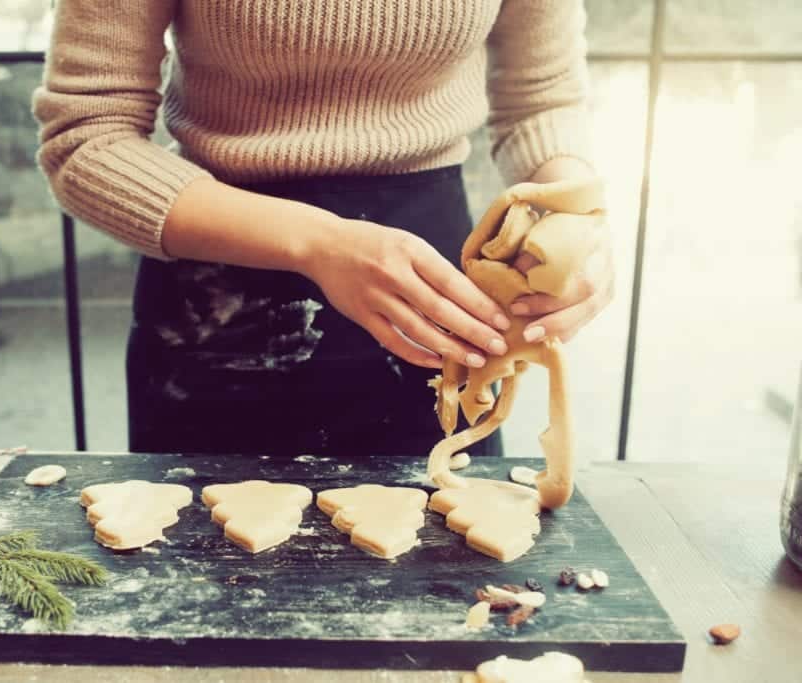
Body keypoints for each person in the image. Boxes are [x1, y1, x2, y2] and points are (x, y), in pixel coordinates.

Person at [33, 1, 614, 458]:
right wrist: (317, 243)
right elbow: (87, 137)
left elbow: (542, 99)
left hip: (437, 299)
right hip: (220, 295)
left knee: (449, 582)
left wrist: (577, 217)